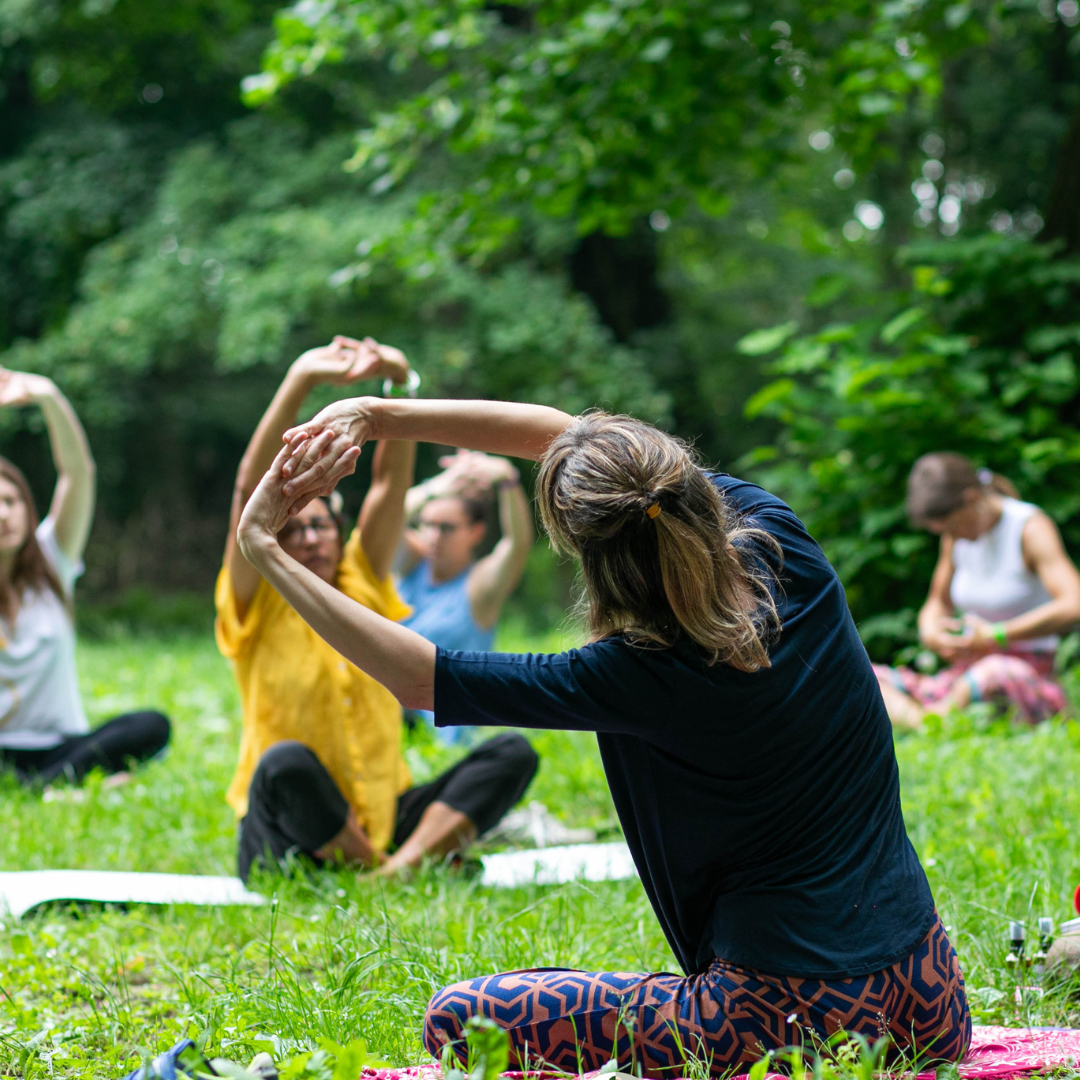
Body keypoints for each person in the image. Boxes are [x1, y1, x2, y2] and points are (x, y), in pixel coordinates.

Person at [233, 393, 971, 1075]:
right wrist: (377, 413)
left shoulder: (632, 673)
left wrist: (265, 546)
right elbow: (581, 444)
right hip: (932, 1001)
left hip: (782, 1021)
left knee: (461, 1019)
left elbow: (421, 677)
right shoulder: (784, 546)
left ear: (596, 562)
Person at [216, 337, 538, 882]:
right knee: (283, 763)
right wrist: (301, 380)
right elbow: (250, 487)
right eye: (293, 528)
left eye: (321, 524)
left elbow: (390, 482)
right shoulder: (255, 596)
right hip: (291, 830)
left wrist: (399, 382)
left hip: (386, 813)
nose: (311, 536)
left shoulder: (361, 575)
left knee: (511, 751)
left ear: (340, 532)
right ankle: (391, 869)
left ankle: (394, 866)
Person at [0, 368, 169, 786]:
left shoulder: (52, 561)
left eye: (10, 500)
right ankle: (66, 785)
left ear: (26, 506)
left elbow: (78, 473)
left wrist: (49, 397)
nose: (3, 514)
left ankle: (45, 784)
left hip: (63, 745)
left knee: (150, 725)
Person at [872, 453, 1080, 731]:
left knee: (993, 671)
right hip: (964, 674)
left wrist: (997, 634)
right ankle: (928, 722)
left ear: (971, 500)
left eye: (953, 527)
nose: (952, 537)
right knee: (863, 673)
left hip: (1022, 673)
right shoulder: (954, 539)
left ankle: (932, 723)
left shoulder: (1029, 527)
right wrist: (932, 631)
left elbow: (1073, 603)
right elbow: (937, 602)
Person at [397, 450, 533, 741]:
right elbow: (386, 518)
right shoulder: (410, 562)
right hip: (388, 716)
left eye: (446, 528)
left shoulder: (479, 586)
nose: (433, 536)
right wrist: (439, 486)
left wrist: (507, 479)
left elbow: (517, 544)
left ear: (476, 532)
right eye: (427, 524)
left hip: (441, 732)